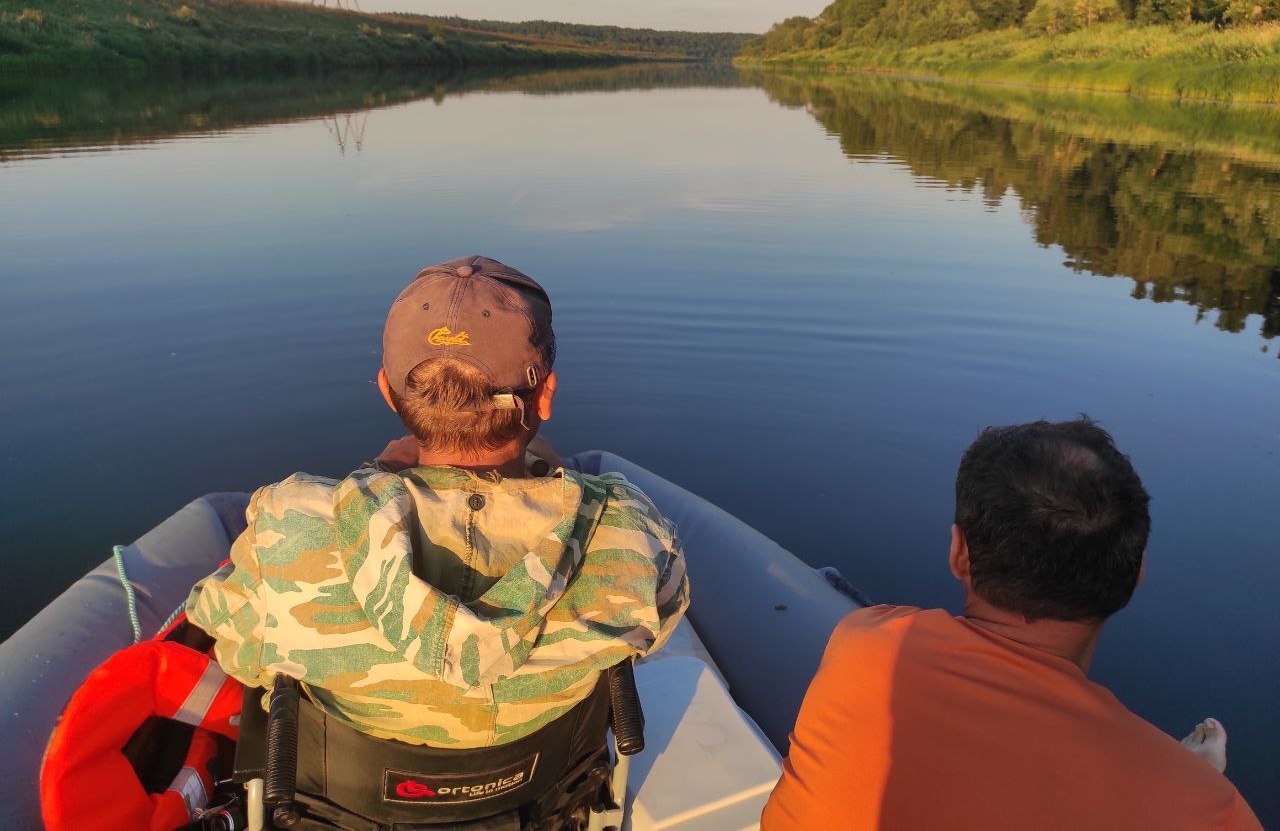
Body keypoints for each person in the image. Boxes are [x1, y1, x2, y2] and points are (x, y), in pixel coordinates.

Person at [186, 255, 689, 748]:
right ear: (546, 396)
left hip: (357, 800)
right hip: (542, 789)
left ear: (388, 392)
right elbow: (654, 632)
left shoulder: (290, 527)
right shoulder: (630, 532)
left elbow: (232, 643)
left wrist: (375, 480)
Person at [762, 418, 1261, 831]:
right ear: (1136, 578)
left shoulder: (865, 641)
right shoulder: (1209, 811)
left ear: (959, 553)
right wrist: (1188, 781)